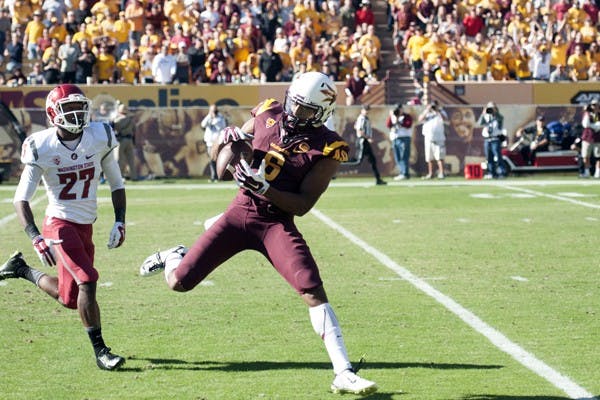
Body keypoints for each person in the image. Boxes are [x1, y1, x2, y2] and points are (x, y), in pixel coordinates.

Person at [139, 72, 377, 395]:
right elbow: (223, 160)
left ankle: (343, 372)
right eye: (293, 103)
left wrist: (266, 188)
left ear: (321, 113)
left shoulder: (329, 146)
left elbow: (304, 204)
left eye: (304, 110)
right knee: (179, 281)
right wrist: (224, 140)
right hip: (239, 213)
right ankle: (173, 256)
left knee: (312, 290)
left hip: (275, 222)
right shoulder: (268, 112)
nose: (294, 113)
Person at [0, 84, 126, 371]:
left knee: (69, 298)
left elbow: (117, 184)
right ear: (52, 113)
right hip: (58, 225)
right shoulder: (40, 145)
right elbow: (21, 199)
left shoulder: (99, 136)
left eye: (79, 107)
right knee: (88, 279)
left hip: (85, 225)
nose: (76, 113)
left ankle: (20, 269)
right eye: (68, 108)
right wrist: (34, 236)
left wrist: (120, 220)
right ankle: (101, 352)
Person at [345, 104, 387, 185]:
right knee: (357, 161)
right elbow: (359, 131)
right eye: (365, 110)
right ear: (362, 110)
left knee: (372, 160)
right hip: (362, 141)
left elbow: (356, 127)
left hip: (365, 141)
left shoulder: (365, 119)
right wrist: (367, 138)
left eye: (368, 110)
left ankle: (378, 179)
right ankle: (338, 165)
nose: (367, 111)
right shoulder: (362, 118)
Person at [418, 100, 447, 179]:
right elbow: (420, 119)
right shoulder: (427, 113)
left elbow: (445, 119)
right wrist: (427, 110)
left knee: (439, 157)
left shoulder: (441, 112)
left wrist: (438, 111)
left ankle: (441, 173)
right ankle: (430, 173)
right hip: (428, 137)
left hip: (439, 138)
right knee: (429, 158)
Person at [477, 101, 506, 179]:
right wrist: (483, 114)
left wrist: (495, 112)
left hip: (495, 138)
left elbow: (500, 120)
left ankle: (501, 172)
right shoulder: (485, 116)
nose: (490, 110)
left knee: (498, 156)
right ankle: (491, 173)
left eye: (492, 108)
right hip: (487, 139)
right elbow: (479, 123)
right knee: (489, 157)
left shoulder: (498, 117)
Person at [200, 104, 227, 182]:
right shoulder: (208, 117)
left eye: (214, 110)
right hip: (209, 143)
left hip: (217, 142)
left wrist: (214, 119)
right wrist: (209, 116)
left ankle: (219, 176)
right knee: (211, 160)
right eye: (211, 110)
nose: (213, 112)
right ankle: (213, 176)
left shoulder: (220, 117)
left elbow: (222, 128)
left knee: (219, 159)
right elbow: (203, 124)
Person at [113, 102, 138, 181]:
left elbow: (112, 127)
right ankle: (133, 176)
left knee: (119, 159)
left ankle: (119, 176)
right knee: (131, 159)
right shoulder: (131, 120)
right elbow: (135, 130)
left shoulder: (117, 120)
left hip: (121, 140)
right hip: (129, 140)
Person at [387, 103, 413, 180]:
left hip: (404, 138)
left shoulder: (406, 116)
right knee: (397, 157)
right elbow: (388, 125)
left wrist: (398, 119)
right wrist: (392, 116)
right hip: (395, 138)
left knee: (404, 156)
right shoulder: (393, 117)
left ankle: (405, 173)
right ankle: (402, 172)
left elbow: (408, 125)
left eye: (399, 109)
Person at [580, 99, 600, 178]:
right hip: (587, 138)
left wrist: (594, 126)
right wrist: (594, 126)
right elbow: (585, 124)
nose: (594, 107)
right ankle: (587, 171)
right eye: (593, 105)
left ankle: (597, 172)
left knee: (598, 156)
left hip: (597, 138)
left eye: (596, 105)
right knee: (585, 156)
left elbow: (598, 126)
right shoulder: (587, 114)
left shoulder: (598, 114)